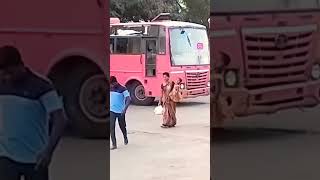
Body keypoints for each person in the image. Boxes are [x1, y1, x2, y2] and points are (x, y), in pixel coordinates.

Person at [0, 46, 67, 180]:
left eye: (9, 72)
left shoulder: (41, 85)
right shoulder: (2, 82)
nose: (6, 77)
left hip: (36, 159)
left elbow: (60, 119)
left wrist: (48, 152)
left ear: (20, 65)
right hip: (6, 157)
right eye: (3, 73)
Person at [110, 76, 131, 150]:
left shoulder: (123, 88)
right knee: (111, 127)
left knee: (122, 126)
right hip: (112, 110)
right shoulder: (110, 88)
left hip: (120, 111)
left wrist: (125, 109)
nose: (111, 86)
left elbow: (128, 99)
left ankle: (125, 137)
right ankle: (114, 144)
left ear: (115, 82)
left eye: (112, 84)